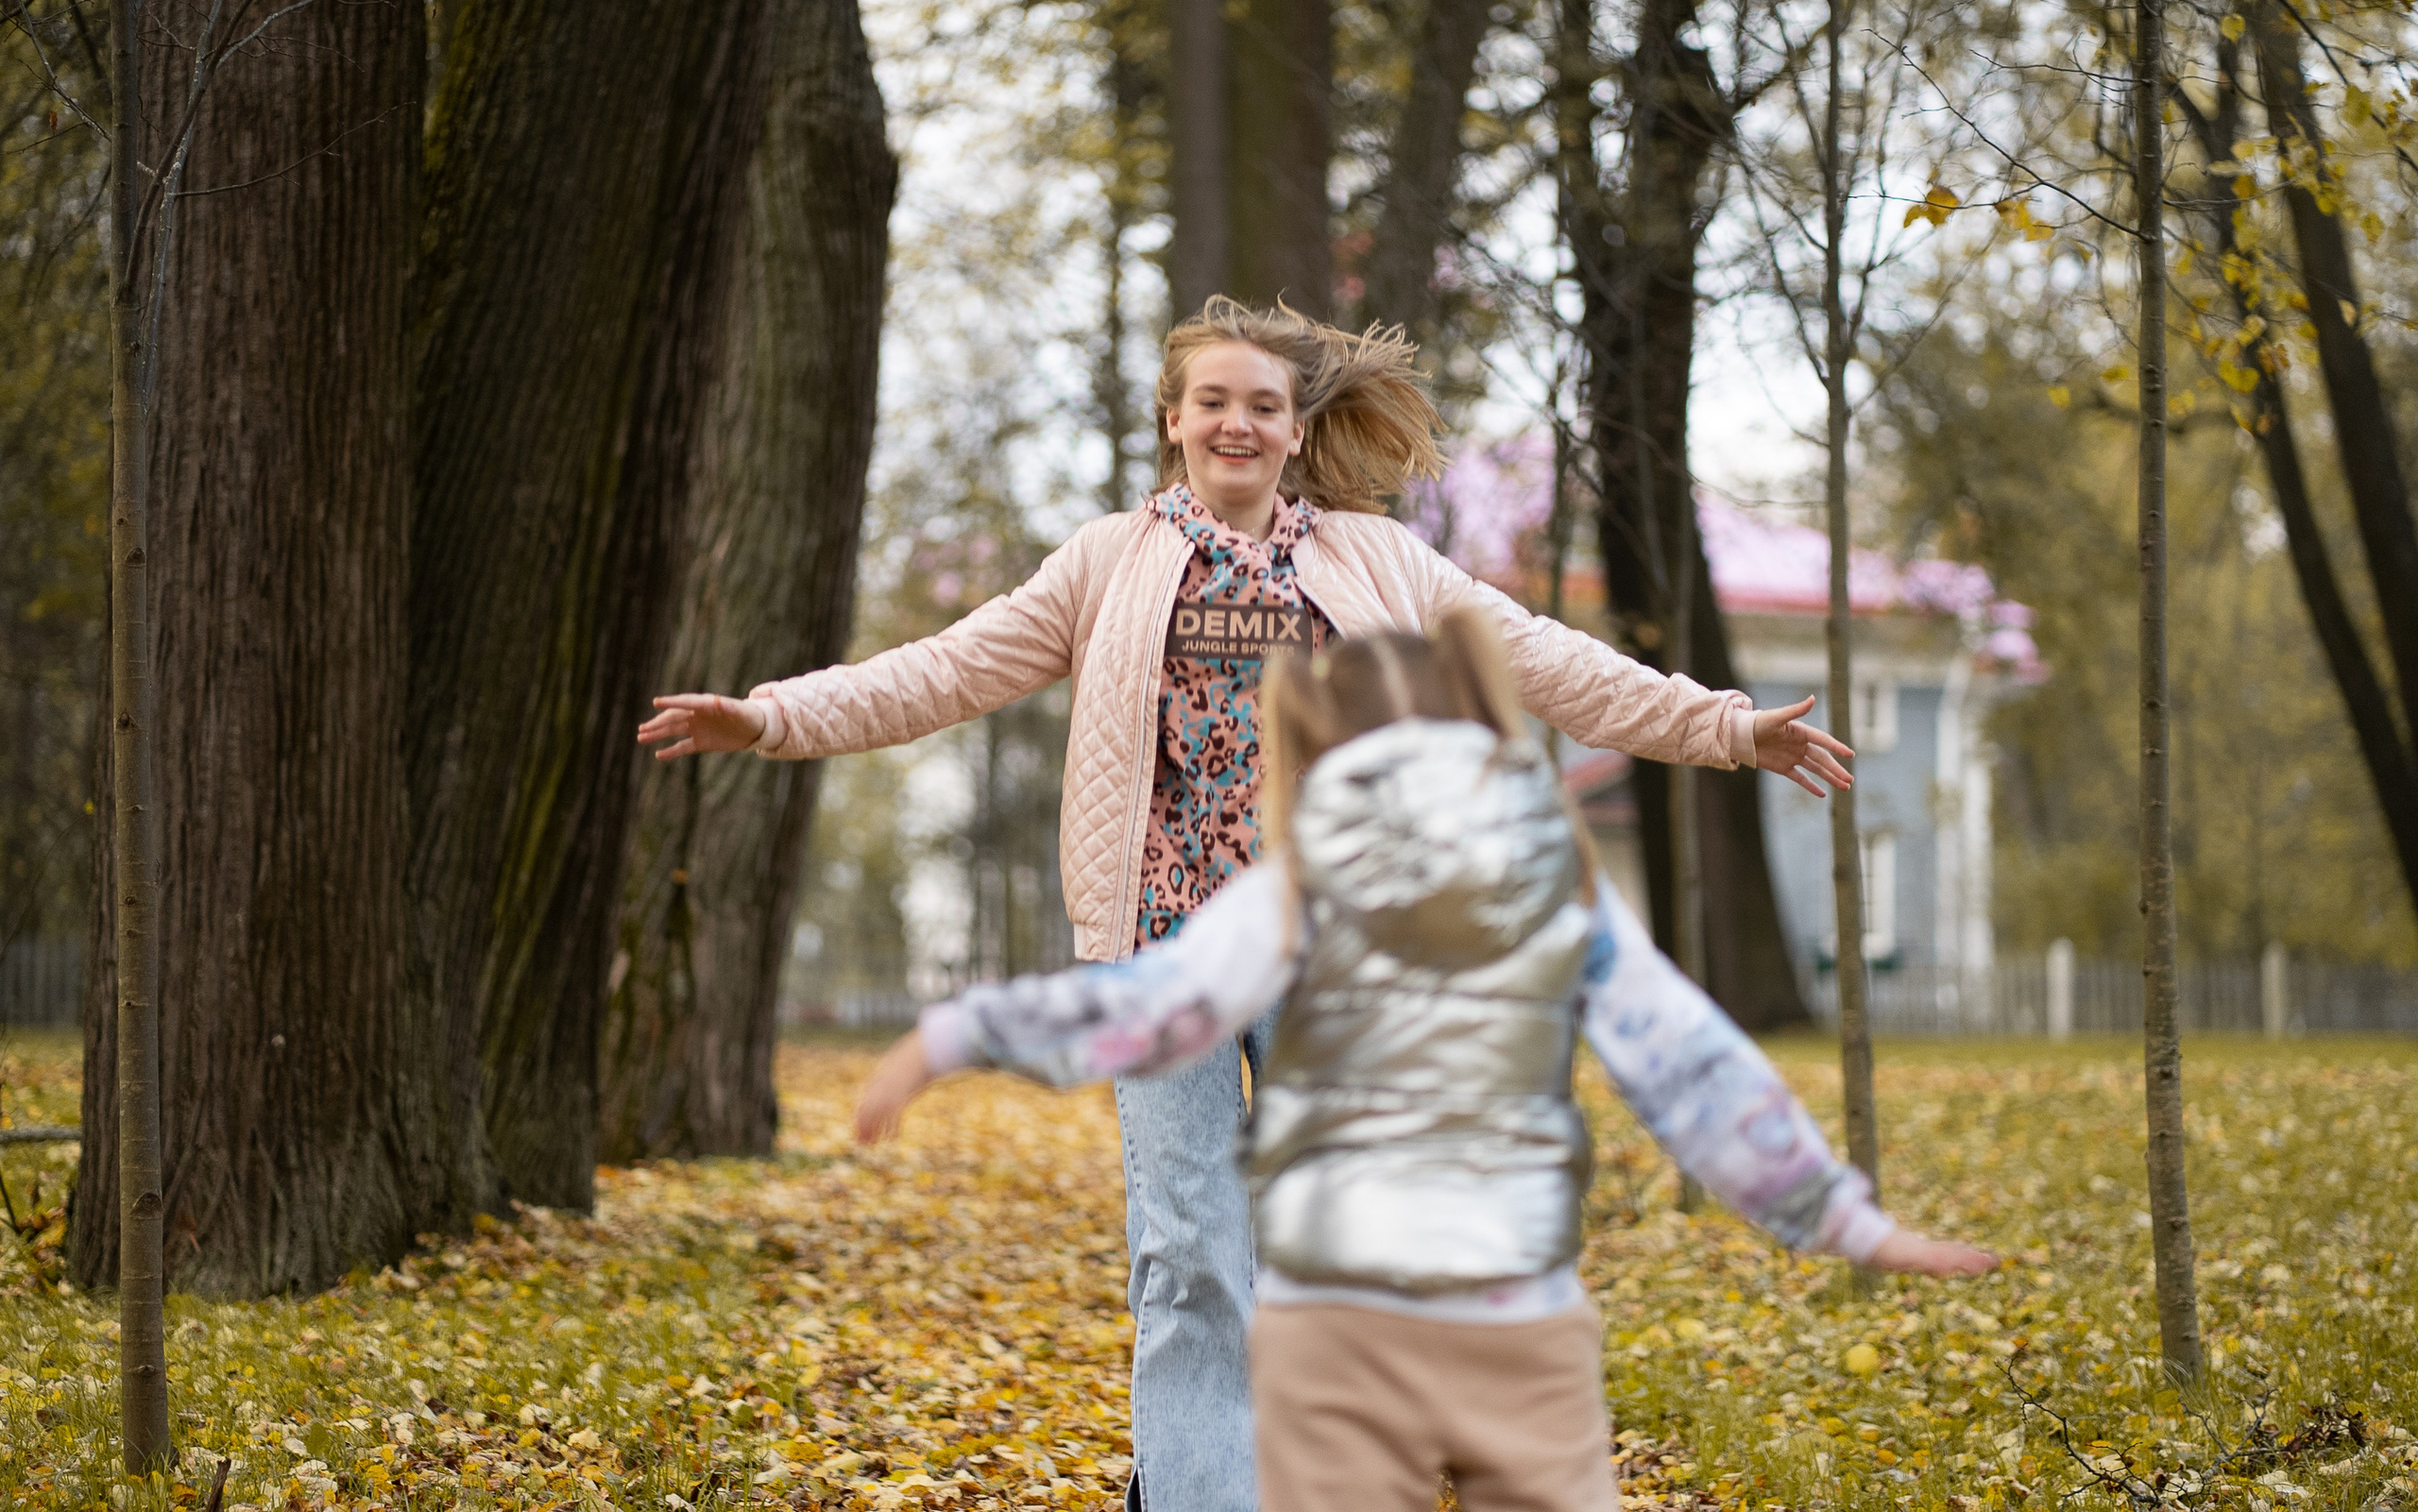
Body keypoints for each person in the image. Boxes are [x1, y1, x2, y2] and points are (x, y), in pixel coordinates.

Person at [637, 297, 1858, 1512]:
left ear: (1292, 426)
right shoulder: (1108, 562)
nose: (1236, 422)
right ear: (1174, 420)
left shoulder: (1373, 559)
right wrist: (773, 715)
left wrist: (1727, 726)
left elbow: (1541, 657)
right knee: (1190, 1256)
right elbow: (947, 668)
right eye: (1211, 401)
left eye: (1261, 405)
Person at [852, 611, 1995, 1512]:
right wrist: (1839, 1217)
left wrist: (952, 1037)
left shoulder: (1291, 893)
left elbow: (1146, 1010)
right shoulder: (1553, 888)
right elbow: (1691, 1066)